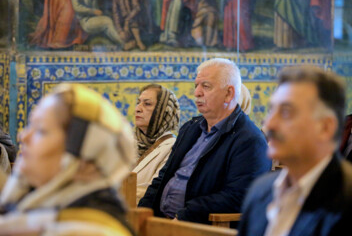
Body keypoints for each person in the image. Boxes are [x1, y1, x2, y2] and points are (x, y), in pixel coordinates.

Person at [138, 58, 271, 224]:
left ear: (229, 93)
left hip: (200, 227)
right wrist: (142, 212)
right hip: (162, 222)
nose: (197, 93)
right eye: (196, 86)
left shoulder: (249, 140)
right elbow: (163, 177)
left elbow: (238, 197)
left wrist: (185, 215)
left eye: (206, 86)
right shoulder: (190, 129)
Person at [0, 84, 136, 235]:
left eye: (41, 130)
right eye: (30, 125)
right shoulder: (26, 213)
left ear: (83, 157)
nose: (23, 137)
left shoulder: (90, 231)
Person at [238, 66, 352, 236]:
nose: (270, 125)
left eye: (285, 112)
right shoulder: (260, 191)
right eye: (271, 111)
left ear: (325, 127)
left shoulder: (346, 199)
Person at [133, 84, 180, 203]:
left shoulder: (172, 147)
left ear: (164, 111)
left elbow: (155, 191)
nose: (138, 108)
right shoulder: (130, 143)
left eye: (147, 104)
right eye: (138, 102)